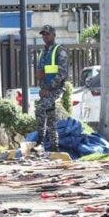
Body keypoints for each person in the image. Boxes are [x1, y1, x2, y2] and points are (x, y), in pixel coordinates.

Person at [34, 24, 69, 152]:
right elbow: (41, 72)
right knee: (50, 116)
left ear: (54, 35)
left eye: (47, 34)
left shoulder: (60, 51)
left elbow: (62, 73)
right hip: (45, 90)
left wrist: (48, 88)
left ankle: (40, 141)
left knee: (40, 109)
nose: (45, 36)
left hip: (56, 89)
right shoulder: (43, 52)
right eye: (43, 34)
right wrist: (41, 82)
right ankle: (55, 146)